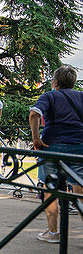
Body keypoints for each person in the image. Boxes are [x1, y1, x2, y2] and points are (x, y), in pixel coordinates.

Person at [29, 65, 83, 242]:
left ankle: (53, 233)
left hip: (52, 145)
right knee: (79, 189)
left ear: (56, 82)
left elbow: (34, 114)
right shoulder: (81, 96)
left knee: (49, 188)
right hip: (78, 147)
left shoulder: (49, 96)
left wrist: (36, 138)